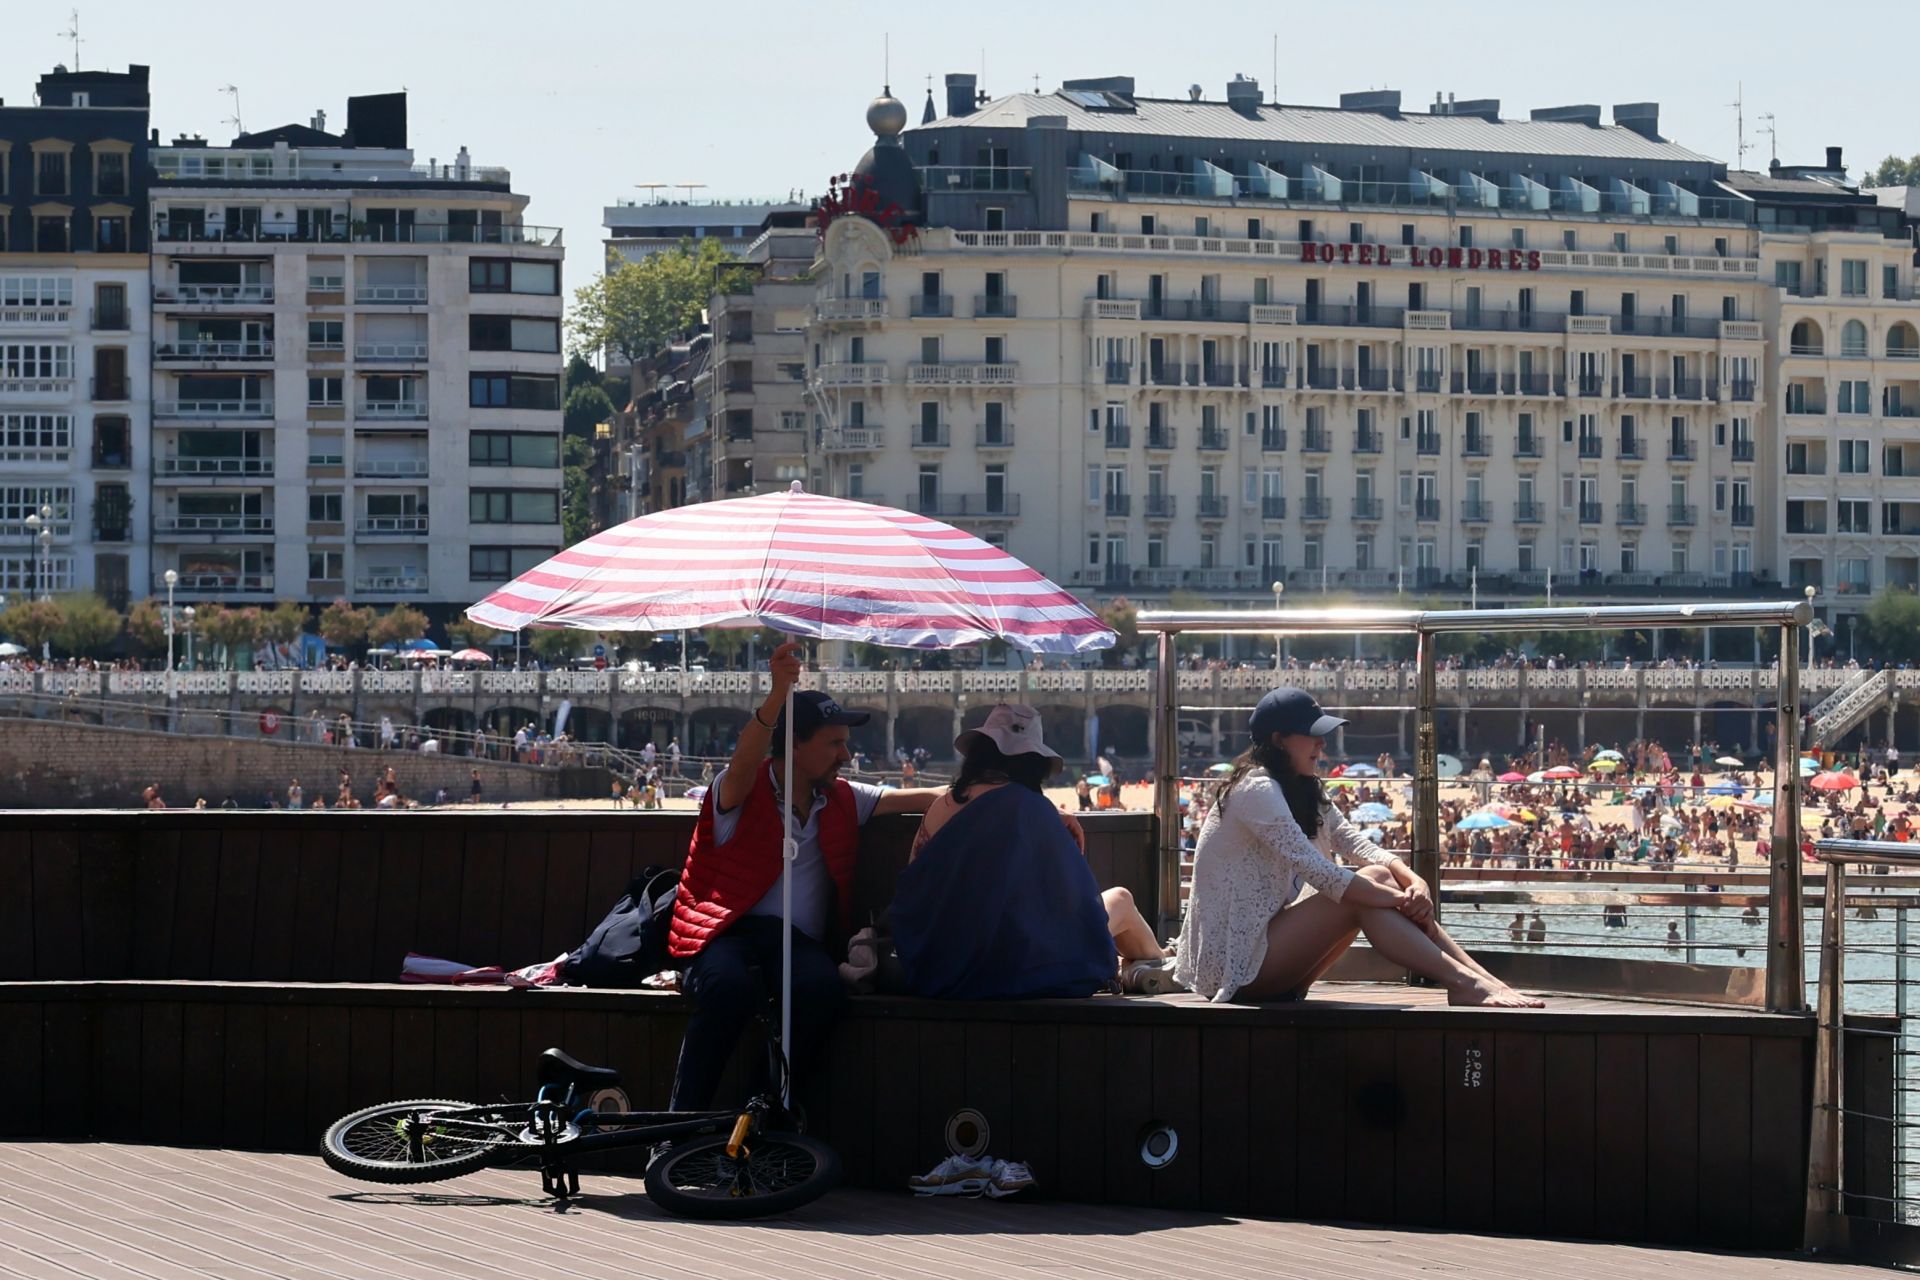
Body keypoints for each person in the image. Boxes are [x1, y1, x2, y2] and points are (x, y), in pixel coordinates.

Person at [666, 642, 943, 1112]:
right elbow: (743, 759)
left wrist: (1027, 801)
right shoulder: (738, 790)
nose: (846, 754)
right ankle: (678, 1126)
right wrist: (777, 695)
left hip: (795, 943)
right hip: (725, 933)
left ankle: (755, 1120)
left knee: (821, 991)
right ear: (795, 742)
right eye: (834, 743)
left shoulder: (843, 797)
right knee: (726, 989)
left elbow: (931, 794)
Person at [1175, 688, 1540, 1008]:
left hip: (1268, 960)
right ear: (1278, 739)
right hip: (1235, 971)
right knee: (1357, 894)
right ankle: (1466, 983)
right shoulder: (1256, 789)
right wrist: (1401, 900)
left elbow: (1356, 845)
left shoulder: (1303, 786)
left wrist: (1414, 882)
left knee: (1379, 875)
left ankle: (1480, 978)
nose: (1323, 744)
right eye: (1312, 735)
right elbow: (1323, 875)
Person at [892, 704, 1153, 999]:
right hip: (1014, 966)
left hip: (935, 963)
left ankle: (1156, 959)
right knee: (1120, 899)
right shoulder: (1032, 809)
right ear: (1034, 762)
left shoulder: (941, 807)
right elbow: (1071, 903)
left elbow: (916, 887)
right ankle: (1158, 962)